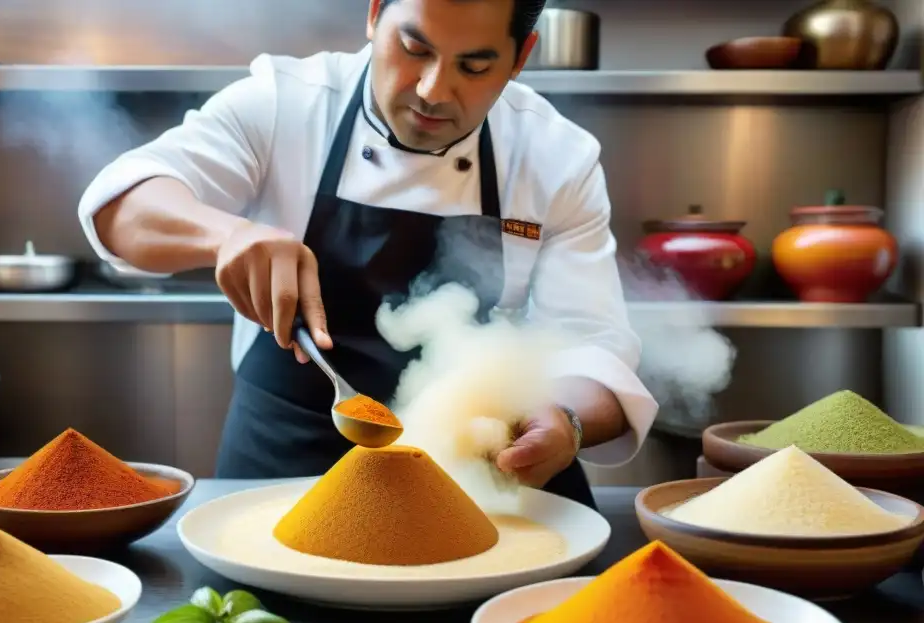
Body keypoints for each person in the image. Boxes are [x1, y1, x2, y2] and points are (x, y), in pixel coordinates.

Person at [78, 0, 658, 511]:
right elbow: (121, 205)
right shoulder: (286, 103)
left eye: (474, 66)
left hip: (467, 470)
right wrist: (223, 234)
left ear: (521, 56)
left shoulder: (555, 154)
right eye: (414, 47)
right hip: (287, 456)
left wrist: (566, 421)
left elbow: (593, 343)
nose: (433, 89)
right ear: (376, 13)